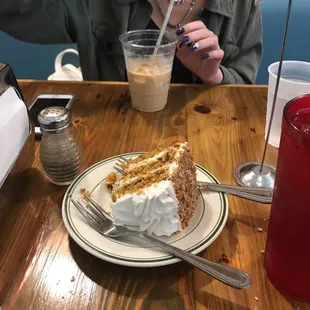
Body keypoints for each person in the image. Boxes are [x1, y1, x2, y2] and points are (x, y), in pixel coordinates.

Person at [0, 0, 262, 84]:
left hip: (208, 143)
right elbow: (18, 13)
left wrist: (214, 76)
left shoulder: (242, 6)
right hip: (114, 149)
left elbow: (245, 88)